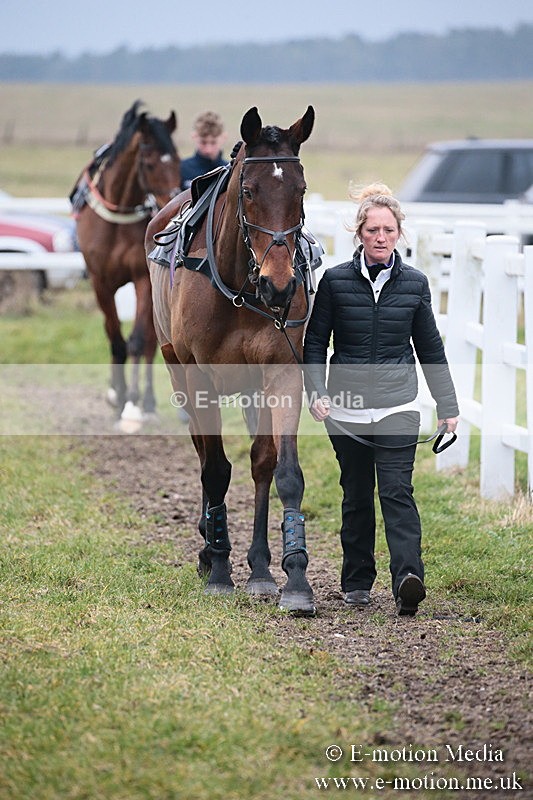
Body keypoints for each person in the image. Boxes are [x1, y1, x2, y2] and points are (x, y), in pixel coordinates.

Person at [303, 183, 459, 617]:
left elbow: (431, 349)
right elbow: (315, 343)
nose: (380, 237)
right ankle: (356, 581)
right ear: (360, 233)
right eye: (372, 229)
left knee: (396, 492)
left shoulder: (415, 285)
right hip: (346, 410)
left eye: (388, 229)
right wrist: (316, 392)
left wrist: (448, 406)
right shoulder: (333, 282)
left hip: (397, 408)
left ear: (399, 234)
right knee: (355, 496)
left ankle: (409, 579)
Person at [180, 111, 228, 191]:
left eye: (213, 142)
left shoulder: (230, 171)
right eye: (203, 142)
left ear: (223, 138)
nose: (208, 150)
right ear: (194, 137)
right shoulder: (180, 169)